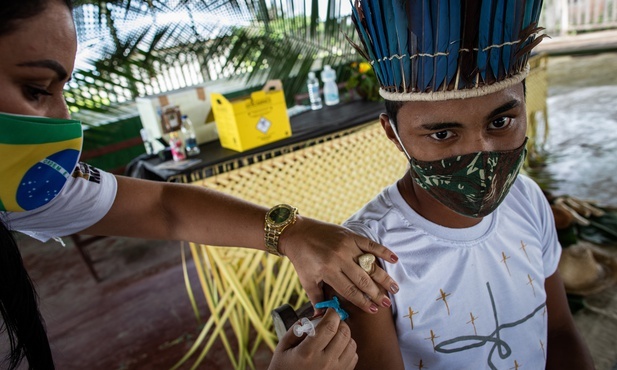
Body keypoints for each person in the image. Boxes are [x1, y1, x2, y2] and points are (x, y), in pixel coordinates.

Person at [0, 1, 400, 368]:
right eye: (36, 89)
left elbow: (162, 207)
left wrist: (293, 232)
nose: (63, 119)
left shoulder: (16, 190)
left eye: (61, 90)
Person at [329, 0, 595, 369]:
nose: (480, 156)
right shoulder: (364, 256)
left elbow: (560, 332)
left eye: (501, 123)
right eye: (442, 133)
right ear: (392, 134)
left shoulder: (527, 200)